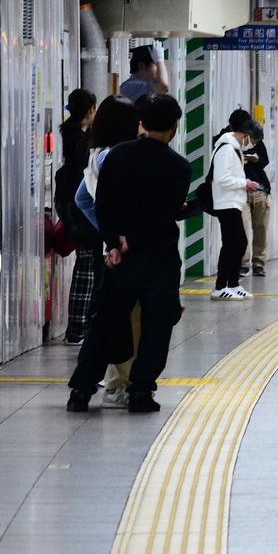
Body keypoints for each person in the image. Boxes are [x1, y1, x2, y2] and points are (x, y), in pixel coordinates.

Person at [66, 93, 191, 413]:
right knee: (156, 325)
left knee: (105, 322)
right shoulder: (179, 166)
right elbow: (166, 215)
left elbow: (102, 204)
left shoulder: (117, 155)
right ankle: (140, 391)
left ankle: (81, 390)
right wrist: (130, 241)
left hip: (119, 260)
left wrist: (114, 244)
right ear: (175, 127)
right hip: (159, 257)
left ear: (142, 123)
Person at [73, 95, 142, 408]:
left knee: (109, 317)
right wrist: (117, 235)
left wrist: (107, 233)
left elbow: (83, 200)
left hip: (112, 248)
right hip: (125, 252)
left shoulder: (96, 154)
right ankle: (116, 385)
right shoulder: (115, 157)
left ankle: (95, 384)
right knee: (125, 321)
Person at [56, 88, 99, 344]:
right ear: (91, 110)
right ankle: (77, 328)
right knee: (86, 268)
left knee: (85, 266)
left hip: (73, 207)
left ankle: (78, 326)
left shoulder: (70, 135)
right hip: (81, 210)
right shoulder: (80, 141)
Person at [208, 118, 262, 300]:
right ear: (245, 136)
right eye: (252, 141)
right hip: (226, 203)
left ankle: (232, 284)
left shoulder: (235, 149)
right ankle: (220, 286)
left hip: (233, 202)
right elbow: (221, 178)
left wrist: (244, 183)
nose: (251, 145)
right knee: (232, 244)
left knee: (239, 244)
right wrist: (244, 183)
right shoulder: (226, 149)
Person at [240, 127, 271, 277]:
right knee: (243, 229)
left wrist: (256, 159)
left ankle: (259, 264)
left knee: (261, 229)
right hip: (240, 192)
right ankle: (243, 264)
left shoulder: (258, 144)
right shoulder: (230, 144)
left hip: (260, 190)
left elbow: (265, 161)